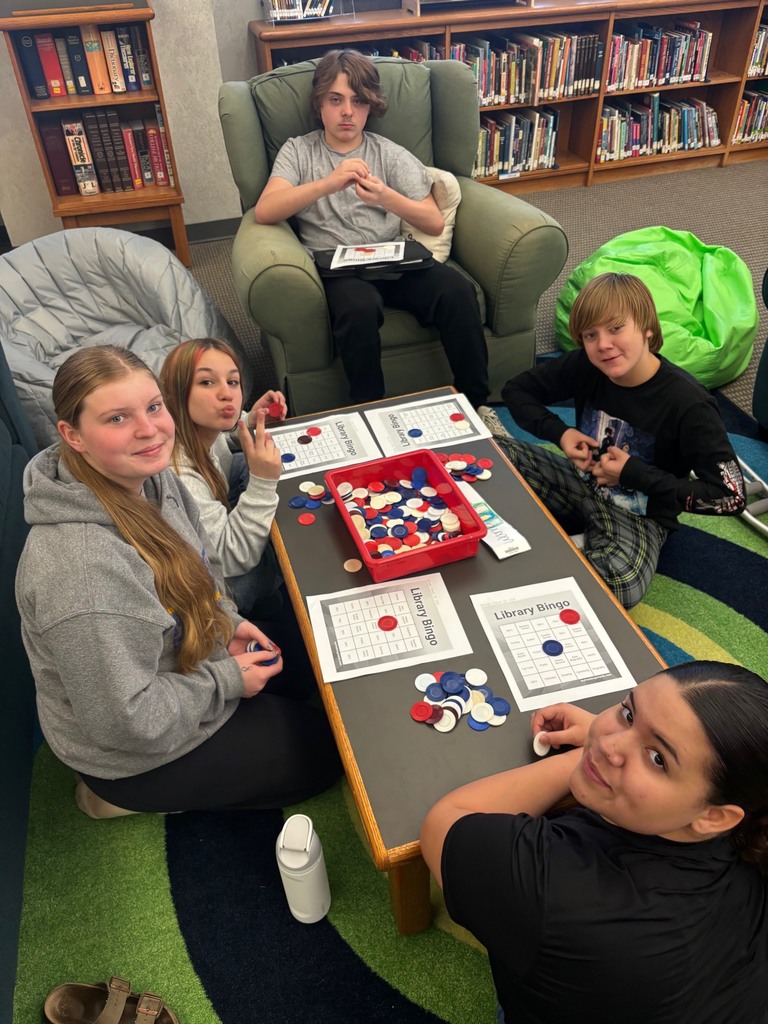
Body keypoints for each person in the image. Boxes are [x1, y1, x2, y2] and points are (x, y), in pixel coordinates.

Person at [15, 345, 340, 819]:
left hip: (183, 658)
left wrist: (226, 621)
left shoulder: (151, 476)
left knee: (312, 661)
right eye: (117, 419)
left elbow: (201, 567)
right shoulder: (81, 577)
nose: (149, 430)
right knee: (324, 754)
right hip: (133, 750)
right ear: (73, 435)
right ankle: (110, 796)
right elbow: (126, 722)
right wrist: (226, 679)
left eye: (153, 407)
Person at [420, 660, 768, 1024]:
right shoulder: (749, 826)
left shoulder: (556, 890)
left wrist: (584, 754)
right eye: (628, 713)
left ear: (715, 817)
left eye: (657, 759)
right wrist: (633, 744)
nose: (608, 744)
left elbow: (445, 823)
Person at [479, 272, 745, 608]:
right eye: (590, 335)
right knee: (482, 456)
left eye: (616, 328)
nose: (603, 344)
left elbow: (730, 497)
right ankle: (579, 543)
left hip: (639, 516)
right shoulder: (586, 365)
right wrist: (561, 434)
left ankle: (569, 545)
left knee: (618, 586)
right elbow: (517, 390)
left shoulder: (689, 402)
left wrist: (632, 473)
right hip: (578, 481)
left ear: (648, 327)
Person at [253, 47, 490, 408]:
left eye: (358, 101)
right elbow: (265, 211)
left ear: (371, 106)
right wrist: (329, 183)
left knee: (457, 290)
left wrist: (386, 198)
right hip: (337, 268)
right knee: (359, 308)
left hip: (392, 259)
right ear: (320, 103)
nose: (347, 111)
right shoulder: (298, 151)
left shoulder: (388, 152)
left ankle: (476, 403)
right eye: (336, 100)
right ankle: (370, 408)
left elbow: (433, 220)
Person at [160, 337, 286, 618]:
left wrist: (248, 420)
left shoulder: (199, 426)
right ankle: (272, 603)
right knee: (282, 551)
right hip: (210, 584)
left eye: (233, 382)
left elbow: (223, 442)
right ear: (176, 394)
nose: (226, 394)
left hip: (215, 516)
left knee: (243, 461)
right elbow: (231, 557)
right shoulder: (179, 473)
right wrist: (263, 484)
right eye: (207, 383)